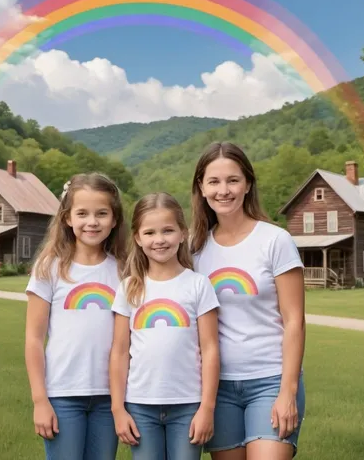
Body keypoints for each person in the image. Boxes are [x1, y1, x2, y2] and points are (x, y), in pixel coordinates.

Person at [190, 141, 306, 460]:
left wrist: (288, 391)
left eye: (233, 180)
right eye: (213, 181)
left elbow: (294, 321)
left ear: (248, 184)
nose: (223, 190)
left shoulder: (275, 241)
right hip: (218, 388)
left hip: (270, 380)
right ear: (201, 187)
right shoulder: (193, 249)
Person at [109, 192, 220, 460]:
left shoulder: (197, 285)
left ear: (183, 234)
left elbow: (211, 350)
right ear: (137, 238)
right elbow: (120, 352)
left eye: (168, 231)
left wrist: (207, 407)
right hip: (140, 406)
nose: (159, 240)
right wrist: (118, 409)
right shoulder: (129, 288)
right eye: (150, 233)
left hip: (188, 406)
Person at [24, 172, 127, 460]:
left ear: (115, 218)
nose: (92, 222)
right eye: (82, 213)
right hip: (62, 394)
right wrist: (40, 400)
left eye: (101, 213)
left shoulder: (123, 271)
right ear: (68, 218)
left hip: (110, 398)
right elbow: (34, 339)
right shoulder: (49, 269)